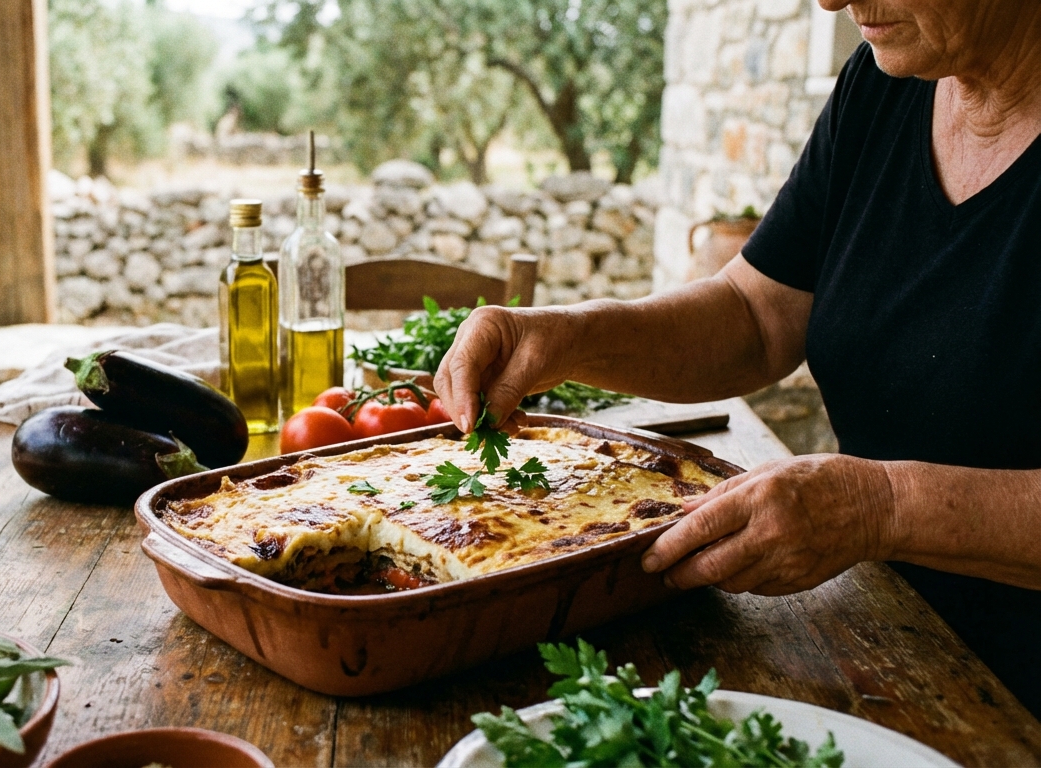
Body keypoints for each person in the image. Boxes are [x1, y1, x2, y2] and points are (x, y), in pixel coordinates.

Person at [435, 0, 1041, 715]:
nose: (831, 3)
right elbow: (757, 315)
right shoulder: (886, 83)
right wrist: (567, 336)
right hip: (890, 640)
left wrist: (883, 507)